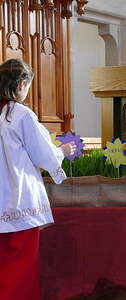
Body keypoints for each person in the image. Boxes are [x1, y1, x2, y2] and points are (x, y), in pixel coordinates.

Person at [0, 58, 76, 300]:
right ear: (22, 84)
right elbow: (43, 154)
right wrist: (61, 153)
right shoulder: (19, 114)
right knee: (19, 264)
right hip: (17, 201)